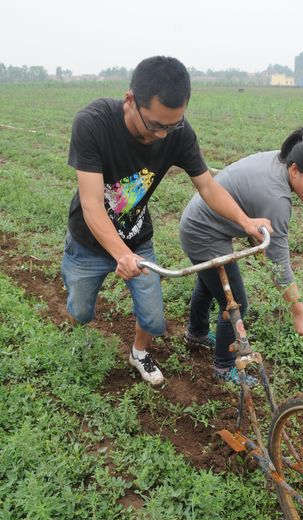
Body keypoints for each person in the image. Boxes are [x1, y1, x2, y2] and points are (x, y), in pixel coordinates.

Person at [61, 56, 271, 385]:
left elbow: (207, 185)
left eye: (172, 125)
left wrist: (245, 221)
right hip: (88, 241)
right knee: (82, 310)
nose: (162, 135)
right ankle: (76, 336)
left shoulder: (178, 133)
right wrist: (120, 254)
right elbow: (91, 205)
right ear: (130, 100)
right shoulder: (94, 122)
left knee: (153, 319)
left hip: (136, 238)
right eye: (155, 125)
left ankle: (139, 354)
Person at [180, 128, 303, 386]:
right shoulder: (276, 199)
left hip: (200, 219)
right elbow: (278, 263)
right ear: (296, 170)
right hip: (203, 233)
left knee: (210, 282)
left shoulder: (281, 160)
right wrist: (298, 313)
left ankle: (196, 334)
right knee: (235, 302)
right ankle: (223, 367)